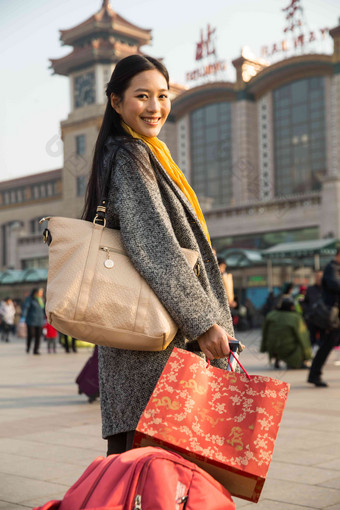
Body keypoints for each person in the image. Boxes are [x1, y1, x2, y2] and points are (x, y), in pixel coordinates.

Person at [82, 55, 236, 455]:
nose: (155, 107)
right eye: (142, 96)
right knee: (154, 478)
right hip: (155, 355)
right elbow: (154, 246)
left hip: (151, 350)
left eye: (163, 96)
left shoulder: (145, 153)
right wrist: (203, 322)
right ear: (116, 102)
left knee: (145, 476)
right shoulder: (131, 156)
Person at [308, 252, 340, 387]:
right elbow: (335, 285)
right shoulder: (331, 268)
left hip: (335, 314)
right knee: (327, 344)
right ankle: (314, 375)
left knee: (327, 344)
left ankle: (314, 374)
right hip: (333, 315)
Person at [260, 297, 312, 369]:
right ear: (292, 307)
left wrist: (263, 347)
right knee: (300, 344)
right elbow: (303, 337)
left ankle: (277, 359)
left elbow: (264, 332)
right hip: (287, 349)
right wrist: (308, 355)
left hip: (272, 348)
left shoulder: (271, 315)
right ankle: (294, 363)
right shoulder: (295, 317)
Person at [21, 288, 45, 355]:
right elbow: (25, 308)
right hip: (31, 321)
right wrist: (23, 317)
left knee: (38, 336)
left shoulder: (42, 300)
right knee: (31, 334)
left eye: (42, 293)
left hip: (40, 320)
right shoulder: (29, 299)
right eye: (40, 292)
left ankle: (36, 350)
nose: (41, 294)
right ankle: (28, 347)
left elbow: (44, 309)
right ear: (35, 293)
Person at [304, 271, 323, 348]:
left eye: (320, 276)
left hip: (324, 319)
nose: (319, 278)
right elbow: (305, 303)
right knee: (312, 340)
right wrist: (307, 314)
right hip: (312, 318)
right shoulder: (310, 289)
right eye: (317, 276)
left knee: (323, 341)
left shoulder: (328, 290)